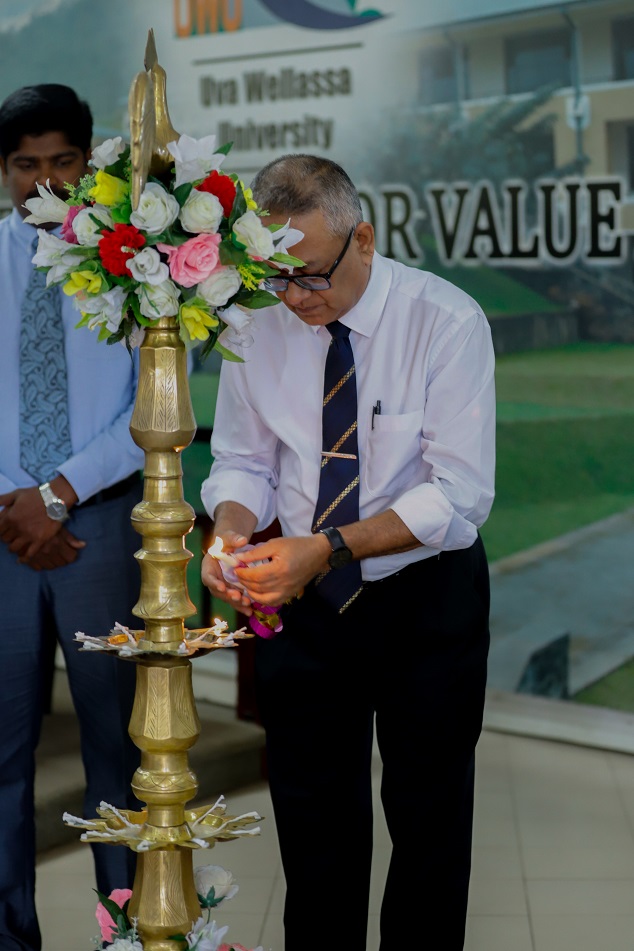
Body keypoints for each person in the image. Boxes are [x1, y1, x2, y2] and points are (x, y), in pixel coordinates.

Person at [200, 153, 495, 951]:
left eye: (311, 276)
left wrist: (327, 546)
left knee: (429, 826)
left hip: (425, 599)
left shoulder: (445, 320)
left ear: (363, 238)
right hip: (304, 607)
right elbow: (244, 460)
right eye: (275, 277)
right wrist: (232, 530)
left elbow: (459, 493)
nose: (295, 298)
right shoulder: (256, 323)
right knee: (314, 831)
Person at [0, 84, 144, 951]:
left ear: (89, 165)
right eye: (26, 164)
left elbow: (149, 407)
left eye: (62, 162)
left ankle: (124, 934)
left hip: (100, 527)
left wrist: (56, 494)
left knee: (115, 750)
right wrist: (15, 504)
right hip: (1, 533)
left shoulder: (137, 263)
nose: (44, 181)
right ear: (3, 170)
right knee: (2, 755)